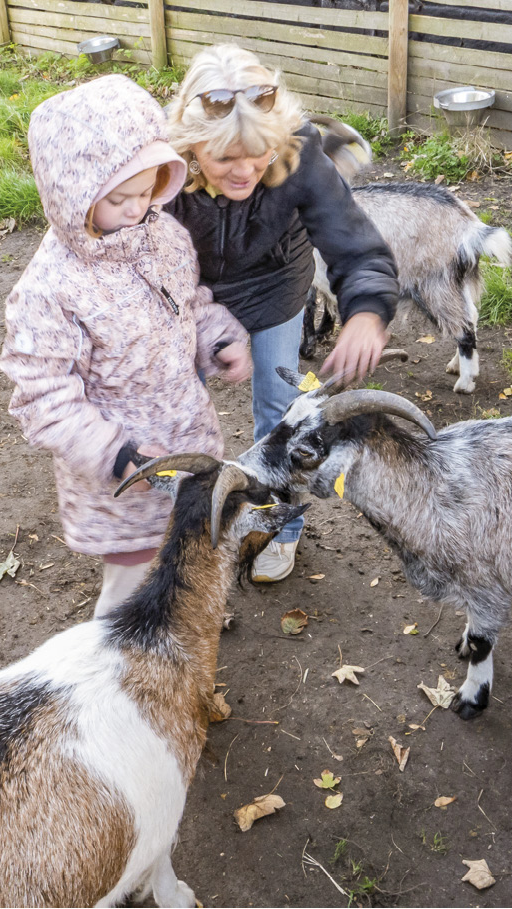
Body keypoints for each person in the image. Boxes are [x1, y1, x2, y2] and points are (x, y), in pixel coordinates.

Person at [0, 75, 251, 618]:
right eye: (118, 199)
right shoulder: (51, 289)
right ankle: (114, 666)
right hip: (125, 474)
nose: (137, 209)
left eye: (147, 191)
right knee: (133, 583)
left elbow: (187, 304)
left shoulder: (161, 237)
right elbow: (43, 396)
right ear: (74, 191)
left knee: (192, 542)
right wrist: (114, 453)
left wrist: (216, 335)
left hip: (187, 438)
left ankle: (186, 617)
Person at [165, 44, 399, 582]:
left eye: (260, 156)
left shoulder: (299, 152)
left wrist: (366, 311)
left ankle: (279, 528)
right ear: (191, 147)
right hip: (188, 295)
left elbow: (357, 247)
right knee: (175, 411)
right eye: (225, 160)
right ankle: (182, 530)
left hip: (275, 287)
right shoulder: (161, 171)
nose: (246, 171)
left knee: (280, 410)